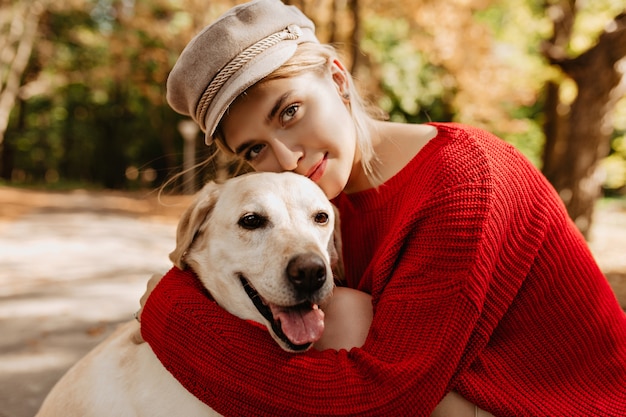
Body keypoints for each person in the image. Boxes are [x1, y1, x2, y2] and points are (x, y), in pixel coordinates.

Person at [139, 0, 626, 415]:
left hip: (562, 406)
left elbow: (383, 399)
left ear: (337, 79)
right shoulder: (320, 206)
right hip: (459, 394)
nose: (286, 158)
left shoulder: (465, 182)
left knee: (346, 318)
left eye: (289, 112)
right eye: (254, 149)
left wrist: (170, 318)